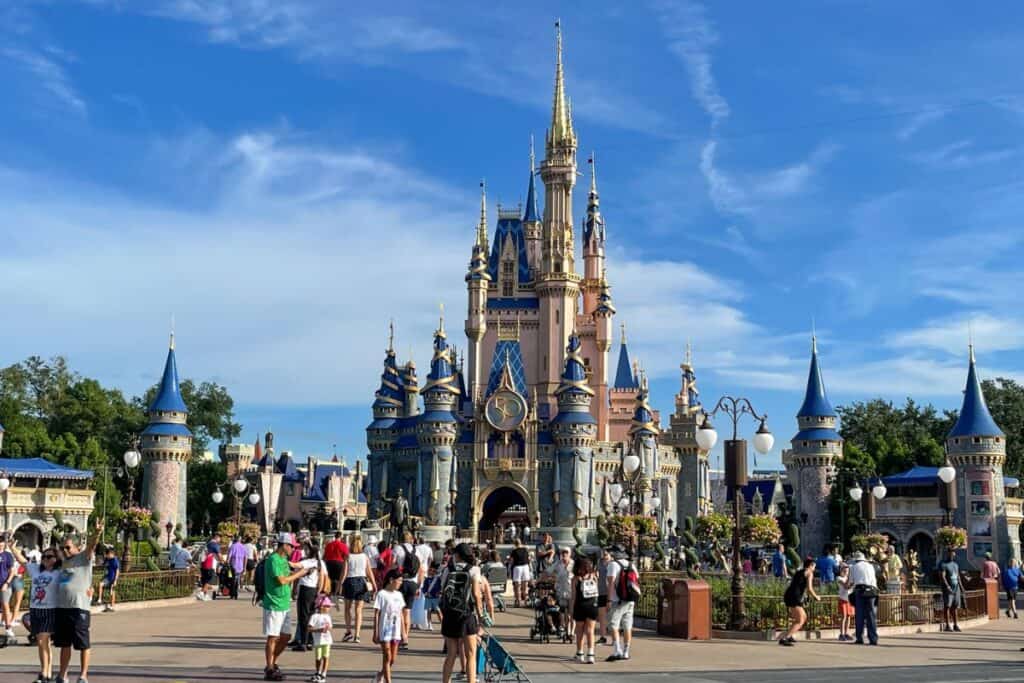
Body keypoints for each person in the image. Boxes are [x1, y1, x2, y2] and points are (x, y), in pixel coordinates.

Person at [54, 519, 103, 683]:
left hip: (79, 608)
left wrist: (97, 533)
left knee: (83, 644)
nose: (65, 550)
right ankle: (62, 675)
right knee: (64, 644)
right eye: (62, 548)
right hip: (62, 608)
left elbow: (91, 545)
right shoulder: (62, 564)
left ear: (77, 547)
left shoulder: (83, 558)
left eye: (68, 547)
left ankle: (83, 676)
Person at [262, 532, 313, 682]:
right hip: (273, 603)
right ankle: (270, 668)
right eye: (291, 546)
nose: (293, 549)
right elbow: (282, 580)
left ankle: (272, 662)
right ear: (284, 545)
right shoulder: (273, 560)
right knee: (273, 637)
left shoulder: (284, 559)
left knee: (286, 636)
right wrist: (299, 575)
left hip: (284, 603)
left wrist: (302, 571)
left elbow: (288, 572)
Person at [10, 540, 61, 683]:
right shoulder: (36, 570)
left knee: (42, 640)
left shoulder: (58, 572)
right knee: (42, 643)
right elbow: (22, 561)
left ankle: (44, 673)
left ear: (56, 559)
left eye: (49, 557)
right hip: (36, 610)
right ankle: (47, 672)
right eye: (44, 556)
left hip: (50, 610)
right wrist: (12, 548)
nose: (45, 559)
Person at [441, 543, 485, 683]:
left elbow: (443, 590)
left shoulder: (448, 569)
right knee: (470, 653)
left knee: (451, 654)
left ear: (457, 555)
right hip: (466, 615)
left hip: (449, 615)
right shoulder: (474, 570)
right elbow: (477, 595)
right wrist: (481, 617)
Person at [341, 535, 376, 644]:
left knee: (347, 608)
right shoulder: (364, 557)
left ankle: (348, 631)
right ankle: (357, 635)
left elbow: (344, 573)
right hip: (362, 581)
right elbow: (369, 572)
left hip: (350, 581)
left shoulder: (348, 556)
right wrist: (374, 585)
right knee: (358, 610)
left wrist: (339, 586)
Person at [292, 541, 327, 651]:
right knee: (311, 616)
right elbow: (322, 577)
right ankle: (310, 641)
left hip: (305, 590)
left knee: (303, 617)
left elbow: (295, 565)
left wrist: (284, 560)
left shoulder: (308, 561)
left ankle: (303, 642)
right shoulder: (320, 563)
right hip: (313, 590)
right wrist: (319, 591)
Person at [779, 557, 820, 646]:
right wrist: (816, 597)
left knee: (803, 617)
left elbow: (798, 584)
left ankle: (789, 636)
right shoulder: (809, 572)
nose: (814, 569)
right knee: (800, 620)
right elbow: (809, 588)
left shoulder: (799, 571)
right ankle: (785, 638)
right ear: (810, 566)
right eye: (814, 566)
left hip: (790, 594)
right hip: (795, 597)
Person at [374, 569, 406, 683]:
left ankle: (380, 674)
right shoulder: (381, 594)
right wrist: (375, 632)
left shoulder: (399, 595)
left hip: (395, 631)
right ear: (391, 580)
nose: (401, 583)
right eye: (399, 580)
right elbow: (377, 614)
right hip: (384, 630)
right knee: (387, 656)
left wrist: (404, 632)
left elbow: (401, 614)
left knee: (392, 659)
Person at [605, 547, 635, 662]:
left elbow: (611, 583)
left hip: (617, 600)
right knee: (628, 626)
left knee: (614, 625)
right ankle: (626, 652)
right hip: (630, 600)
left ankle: (617, 650)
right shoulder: (631, 564)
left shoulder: (613, 565)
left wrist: (608, 600)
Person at [569, 556, 599, 664]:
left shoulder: (575, 579)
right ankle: (591, 654)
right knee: (590, 630)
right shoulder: (594, 576)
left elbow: (573, 596)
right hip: (592, 605)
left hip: (580, 605)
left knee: (579, 630)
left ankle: (580, 653)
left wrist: (571, 610)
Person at [848, 551, 879, 645]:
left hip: (860, 590)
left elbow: (851, 581)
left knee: (860, 615)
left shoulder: (854, 567)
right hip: (872, 591)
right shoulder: (870, 566)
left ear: (856, 560)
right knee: (871, 615)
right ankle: (873, 639)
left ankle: (859, 638)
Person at [307, 594, 334, 683]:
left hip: (327, 640)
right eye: (327, 606)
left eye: (329, 606)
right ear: (321, 606)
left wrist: (327, 628)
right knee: (318, 657)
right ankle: (318, 672)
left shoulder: (328, 616)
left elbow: (330, 627)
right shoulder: (314, 616)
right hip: (318, 641)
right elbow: (309, 628)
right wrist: (319, 630)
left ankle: (324, 673)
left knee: (326, 656)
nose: (328, 608)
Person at [939, 549, 962, 633]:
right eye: (950, 554)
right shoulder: (943, 565)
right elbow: (942, 576)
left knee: (955, 606)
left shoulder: (956, 565)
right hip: (948, 589)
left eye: (953, 554)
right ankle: (948, 625)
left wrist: (962, 587)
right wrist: (947, 586)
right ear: (947, 554)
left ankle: (955, 625)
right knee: (947, 606)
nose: (952, 556)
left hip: (956, 588)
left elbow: (958, 576)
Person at [0, 534, 16, 643]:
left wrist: (7, 583)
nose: (0, 545)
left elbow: (12, 571)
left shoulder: (7, 555)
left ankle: (8, 628)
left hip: (4, 584)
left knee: (5, 606)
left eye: (2, 543)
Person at [324, 532, 348, 600]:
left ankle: (330, 592)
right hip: (339, 562)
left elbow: (325, 555)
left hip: (329, 562)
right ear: (341, 537)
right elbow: (346, 555)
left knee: (331, 578)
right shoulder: (343, 545)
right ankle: (337, 593)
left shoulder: (329, 545)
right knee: (339, 579)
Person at [95, 547, 120, 612]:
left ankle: (112, 606)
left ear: (111, 554)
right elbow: (103, 564)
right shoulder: (107, 559)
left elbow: (117, 571)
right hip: (107, 577)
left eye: (108, 554)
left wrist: (115, 581)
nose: (107, 556)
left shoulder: (115, 560)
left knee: (112, 592)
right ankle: (99, 599)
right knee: (100, 584)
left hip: (113, 578)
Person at [508, 538, 531, 608]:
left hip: (517, 567)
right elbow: (529, 559)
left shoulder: (514, 551)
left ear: (515, 544)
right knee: (525, 586)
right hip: (525, 567)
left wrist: (509, 568)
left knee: (517, 586)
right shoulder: (525, 550)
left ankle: (518, 601)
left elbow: (511, 561)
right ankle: (526, 602)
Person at [596, 548, 611, 645]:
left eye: (606, 554)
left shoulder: (613, 564)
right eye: (603, 553)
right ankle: (603, 637)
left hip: (611, 593)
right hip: (601, 592)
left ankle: (614, 638)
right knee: (602, 616)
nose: (604, 555)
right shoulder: (599, 563)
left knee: (613, 617)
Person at [422, 563, 442, 631]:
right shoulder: (427, 579)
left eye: (433, 571)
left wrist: (439, 593)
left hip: (435, 597)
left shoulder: (438, 579)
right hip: (428, 597)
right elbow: (424, 588)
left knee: (438, 611)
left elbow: (440, 587)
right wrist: (425, 593)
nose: (431, 572)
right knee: (429, 611)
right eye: (430, 570)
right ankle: (429, 625)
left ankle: (442, 624)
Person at [837, 562, 854, 641]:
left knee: (848, 616)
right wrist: (850, 580)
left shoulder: (849, 578)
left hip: (849, 599)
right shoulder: (839, 578)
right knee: (843, 616)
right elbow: (846, 586)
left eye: (847, 570)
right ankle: (841, 634)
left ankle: (846, 633)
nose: (846, 572)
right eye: (845, 570)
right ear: (841, 570)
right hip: (842, 599)